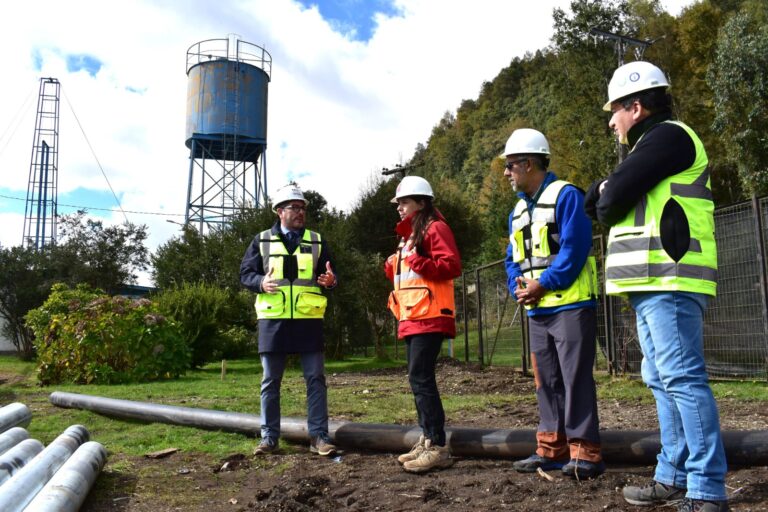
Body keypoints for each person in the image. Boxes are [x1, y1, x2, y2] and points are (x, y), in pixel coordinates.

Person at [584, 61, 727, 511]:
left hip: (671, 279)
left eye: (614, 111)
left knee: (681, 378)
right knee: (662, 379)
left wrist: (605, 190)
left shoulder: (669, 137)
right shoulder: (651, 147)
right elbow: (601, 200)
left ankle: (706, 489)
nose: (611, 122)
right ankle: (674, 476)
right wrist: (605, 191)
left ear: (636, 106)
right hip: (650, 282)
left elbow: (608, 201)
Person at [503, 128, 604, 479]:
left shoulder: (567, 195)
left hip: (571, 306)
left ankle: (585, 453)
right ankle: (552, 449)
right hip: (537, 309)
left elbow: (575, 250)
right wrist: (517, 287)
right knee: (545, 381)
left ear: (529, 164)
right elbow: (512, 258)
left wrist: (542, 284)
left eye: (510, 165)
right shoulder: (518, 210)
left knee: (575, 380)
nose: (506, 172)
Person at [240, 182, 339, 457]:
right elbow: (245, 274)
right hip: (273, 321)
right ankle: (269, 439)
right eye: (294, 207)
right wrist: (260, 282)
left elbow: (331, 275)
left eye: (302, 208)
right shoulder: (261, 241)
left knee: (315, 379)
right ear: (279, 211)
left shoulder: (317, 241)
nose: (300, 212)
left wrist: (331, 281)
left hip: (308, 319)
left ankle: (319, 437)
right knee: (270, 381)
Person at [384, 175, 462, 473]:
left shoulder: (435, 228)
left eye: (404, 202)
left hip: (430, 314)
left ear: (421, 202)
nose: (399, 207)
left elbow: (451, 265)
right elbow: (409, 271)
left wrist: (416, 262)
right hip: (413, 314)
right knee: (417, 378)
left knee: (421, 377)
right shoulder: (410, 235)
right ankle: (428, 439)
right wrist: (393, 264)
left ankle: (437, 446)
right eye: (398, 203)